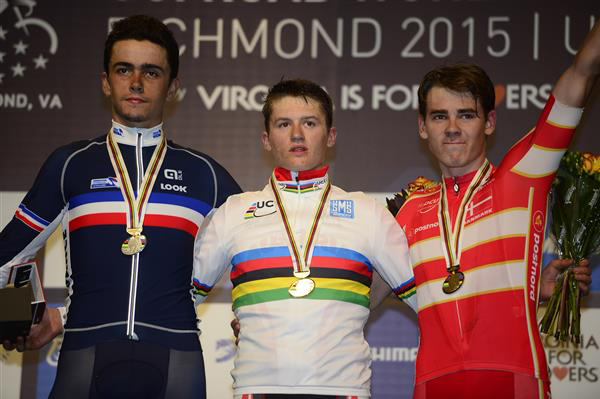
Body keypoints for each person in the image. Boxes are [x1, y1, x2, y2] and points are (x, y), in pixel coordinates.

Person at [0, 15, 240, 398]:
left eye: (152, 72)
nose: (136, 83)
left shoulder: (205, 175)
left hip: (176, 359)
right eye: (123, 69)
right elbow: (6, 257)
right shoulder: (70, 165)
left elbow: (262, 254)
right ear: (105, 81)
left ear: (173, 86)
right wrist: (16, 320)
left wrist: (256, 318)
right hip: (85, 353)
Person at [392, 20, 600, 399]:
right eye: (439, 116)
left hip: (513, 380)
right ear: (422, 127)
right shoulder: (407, 210)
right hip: (432, 385)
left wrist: (526, 289)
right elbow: (354, 294)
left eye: (466, 115)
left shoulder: (524, 176)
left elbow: (580, 74)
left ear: (489, 122)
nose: (452, 127)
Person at [192, 79, 417, 399]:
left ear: (331, 135)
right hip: (258, 389)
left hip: (344, 389)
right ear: (266, 139)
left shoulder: (368, 213)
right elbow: (181, 301)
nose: (297, 134)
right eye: (284, 124)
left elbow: (429, 301)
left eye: (309, 123)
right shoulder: (235, 212)